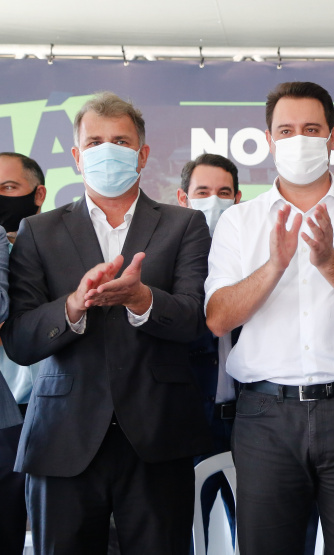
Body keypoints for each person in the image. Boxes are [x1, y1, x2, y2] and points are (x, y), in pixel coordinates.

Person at [0, 92, 213, 552]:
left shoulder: (184, 224)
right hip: (63, 436)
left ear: (143, 153)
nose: (107, 150)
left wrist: (141, 299)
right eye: (94, 141)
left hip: (158, 435)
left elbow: (195, 319)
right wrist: (73, 305)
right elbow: (18, 339)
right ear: (76, 156)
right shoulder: (40, 231)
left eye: (120, 140)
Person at [205, 81, 334, 554]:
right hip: (265, 418)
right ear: (269, 139)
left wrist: (328, 259)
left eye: (311, 129)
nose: (299, 140)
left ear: (332, 137)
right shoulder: (239, 221)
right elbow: (217, 319)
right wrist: (275, 265)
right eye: (286, 130)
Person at [176, 152, 242, 549]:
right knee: (184, 529)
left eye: (223, 192)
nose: (213, 200)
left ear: (238, 198)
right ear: (183, 198)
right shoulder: (168, 257)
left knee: (255, 532)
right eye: (202, 191)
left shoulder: (255, 254)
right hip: (187, 418)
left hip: (250, 418)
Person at [0, 152, 45, 555]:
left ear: (37, 194)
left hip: (52, 409)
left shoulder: (55, 248)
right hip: (6, 415)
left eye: (8, 189)